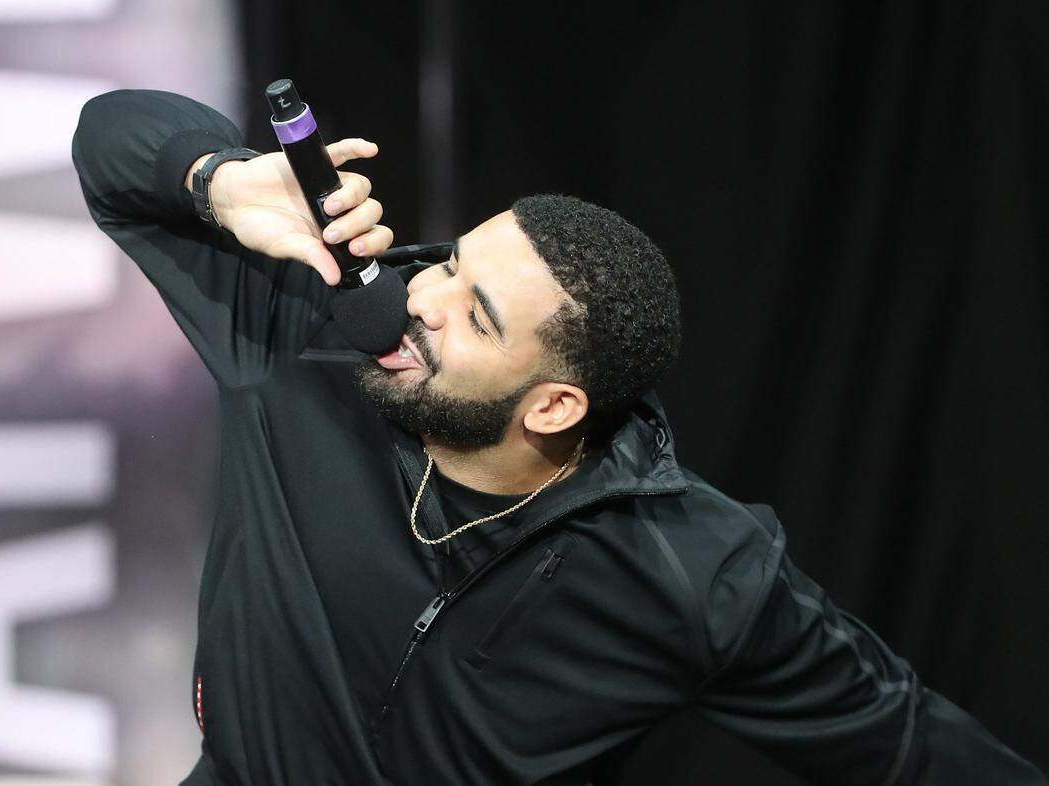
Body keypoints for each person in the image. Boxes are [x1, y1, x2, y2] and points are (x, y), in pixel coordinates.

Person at [71, 89, 1046, 786]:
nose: (422, 300)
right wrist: (221, 178)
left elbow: (903, 743)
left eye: (476, 314)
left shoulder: (690, 571)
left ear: (552, 409)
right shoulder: (309, 338)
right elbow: (109, 139)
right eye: (451, 264)